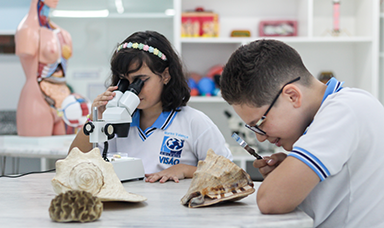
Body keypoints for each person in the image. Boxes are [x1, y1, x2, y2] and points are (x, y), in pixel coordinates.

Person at [220, 39, 384, 227]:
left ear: (292, 96)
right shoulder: (338, 110)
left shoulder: (344, 109)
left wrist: (280, 183)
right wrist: (289, 171)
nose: (260, 137)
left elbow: (270, 201)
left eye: (260, 123)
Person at [70, 31, 233, 183]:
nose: (132, 90)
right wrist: (95, 119)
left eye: (141, 80)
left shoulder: (193, 122)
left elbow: (229, 173)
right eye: (124, 82)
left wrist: (185, 170)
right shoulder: (116, 121)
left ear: (165, 75)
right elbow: (74, 162)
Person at [15, 0, 76, 136]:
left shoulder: (63, 34)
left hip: (62, 95)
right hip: (37, 95)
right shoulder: (27, 30)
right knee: (39, 148)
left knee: (64, 151)